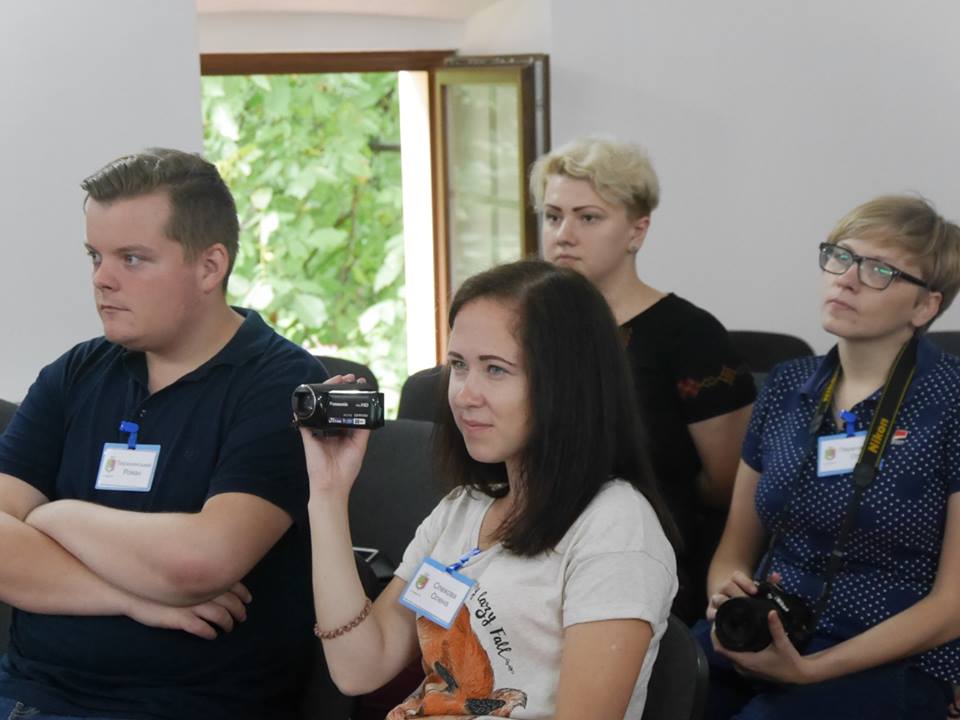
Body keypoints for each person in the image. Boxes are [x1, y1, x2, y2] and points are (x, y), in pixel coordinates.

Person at [0, 148, 325, 719]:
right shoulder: (75, 373)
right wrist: (133, 599)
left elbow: (202, 563)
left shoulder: (283, 384)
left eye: (132, 258)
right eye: (95, 256)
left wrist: (54, 516)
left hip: (182, 706)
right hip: (25, 694)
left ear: (210, 266)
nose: (102, 279)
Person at [303, 260, 678, 719]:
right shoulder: (462, 509)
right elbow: (359, 668)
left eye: (496, 370)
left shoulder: (615, 526)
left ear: (567, 382)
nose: (464, 394)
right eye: (459, 366)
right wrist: (328, 493)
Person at [700, 195, 960, 719]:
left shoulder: (952, 400)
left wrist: (812, 670)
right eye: (841, 257)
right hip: (771, 627)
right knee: (644, 683)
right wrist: (725, 595)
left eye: (879, 270)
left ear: (925, 306)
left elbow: (951, 606)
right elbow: (733, 549)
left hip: (890, 654)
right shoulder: (786, 385)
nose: (846, 279)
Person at [529, 137, 756, 623]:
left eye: (588, 218)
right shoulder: (523, 326)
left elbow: (728, 483)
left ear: (637, 230)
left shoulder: (689, 335)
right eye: (552, 216)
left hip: (648, 557)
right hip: (538, 548)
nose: (564, 234)